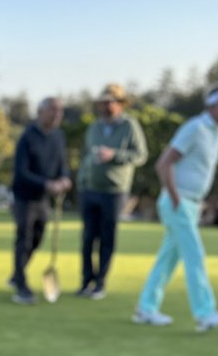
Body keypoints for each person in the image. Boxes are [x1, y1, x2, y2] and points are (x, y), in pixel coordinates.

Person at [133, 83, 218, 332]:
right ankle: (205, 313)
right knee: (194, 255)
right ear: (216, 102)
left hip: (191, 203)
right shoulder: (195, 127)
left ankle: (146, 308)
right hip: (179, 202)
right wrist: (176, 197)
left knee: (168, 259)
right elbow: (164, 164)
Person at [75, 83, 147, 299]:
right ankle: (86, 281)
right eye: (103, 103)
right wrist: (82, 181)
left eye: (110, 103)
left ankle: (100, 283)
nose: (105, 107)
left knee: (107, 238)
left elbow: (140, 155)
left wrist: (114, 155)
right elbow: (87, 156)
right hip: (90, 189)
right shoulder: (94, 127)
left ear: (119, 104)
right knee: (88, 238)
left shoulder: (129, 126)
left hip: (114, 190)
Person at [9, 98, 72, 303]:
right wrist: (46, 183)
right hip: (25, 197)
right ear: (41, 111)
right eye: (52, 111)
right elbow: (21, 172)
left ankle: (17, 272)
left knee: (37, 238)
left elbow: (62, 163)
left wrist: (63, 178)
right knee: (24, 238)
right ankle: (21, 284)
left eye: (60, 111)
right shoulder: (27, 137)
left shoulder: (58, 136)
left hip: (44, 199)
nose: (56, 115)